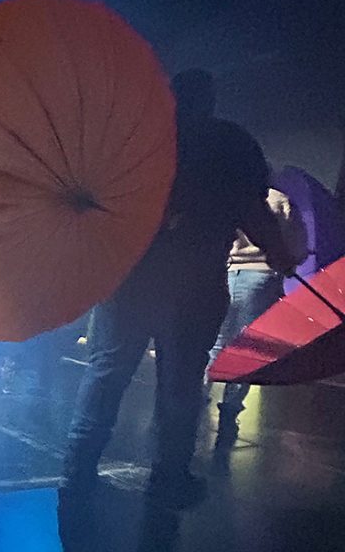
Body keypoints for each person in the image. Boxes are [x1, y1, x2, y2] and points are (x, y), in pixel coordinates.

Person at [59, 69, 296, 510]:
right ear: (210, 101)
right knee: (182, 385)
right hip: (197, 284)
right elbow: (252, 209)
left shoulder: (134, 139)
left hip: (129, 281)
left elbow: (92, 204)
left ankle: (76, 470)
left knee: (106, 374)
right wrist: (279, 253)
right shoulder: (232, 145)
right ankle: (168, 478)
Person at [208, 185, 307, 449]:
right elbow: (297, 244)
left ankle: (197, 397)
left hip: (227, 273)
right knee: (247, 348)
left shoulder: (234, 195)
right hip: (262, 276)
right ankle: (229, 410)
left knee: (215, 342)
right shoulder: (280, 200)